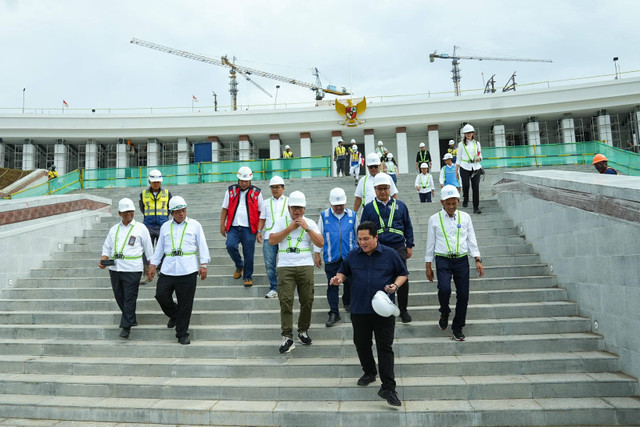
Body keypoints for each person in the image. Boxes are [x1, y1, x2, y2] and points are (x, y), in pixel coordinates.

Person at [330, 221, 408, 407]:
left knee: (385, 348)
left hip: (383, 311)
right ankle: (370, 372)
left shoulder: (390, 254)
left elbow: (403, 274)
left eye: (366, 239)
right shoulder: (353, 255)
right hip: (360, 309)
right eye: (359, 239)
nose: (362, 243)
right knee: (361, 344)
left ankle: (389, 388)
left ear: (376, 237)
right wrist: (338, 279)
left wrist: (395, 286)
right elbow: (343, 272)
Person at [148, 196, 210, 345]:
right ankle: (175, 315)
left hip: (188, 269)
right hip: (168, 268)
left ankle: (182, 333)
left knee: (186, 303)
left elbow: (202, 244)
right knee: (161, 295)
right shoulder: (165, 227)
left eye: (183, 210)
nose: (182, 214)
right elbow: (160, 248)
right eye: (178, 211)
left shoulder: (195, 225)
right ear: (171, 213)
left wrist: (204, 265)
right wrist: (152, 264)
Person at [425, 185, 484, 341]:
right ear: (442, 202)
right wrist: (428, 265)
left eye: (454, 203)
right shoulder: (434, 219)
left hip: (461, 260)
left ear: (458, 201)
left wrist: (477, 259)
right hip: (442, 259)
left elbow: (471, 239)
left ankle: (458, 327)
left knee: (463, 295)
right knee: (444, 289)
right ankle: (444, 312)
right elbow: (430, 243)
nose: (451, 207)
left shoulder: (465, 217)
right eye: (447, 203)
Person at [269, 191, 324, 353]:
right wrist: (289, 228)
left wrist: (307, 229)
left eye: (300, 208)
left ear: (305, 209)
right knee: (285, 301)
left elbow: (320, 242)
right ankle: (287, 336)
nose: (297, 211)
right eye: (294, 208)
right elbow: (272, 240)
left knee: (307, 300)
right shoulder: (281, 222)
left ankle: (302, 330)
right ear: (289, 208)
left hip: (305, 265)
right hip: (285, 266)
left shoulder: (310, 223)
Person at [361, 173, 414, 323]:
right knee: (380, 279)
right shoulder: (369, 208)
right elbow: (363, 229)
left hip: (398, 247)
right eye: (379, 189)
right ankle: (383, 307)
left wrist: (409, 245)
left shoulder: (401, 206)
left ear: (390, 188)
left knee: (402, 279)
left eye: (385, 188)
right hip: (378, 248)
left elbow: (408, 226)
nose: (383, 191)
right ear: (375, 189)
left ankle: (403, 309)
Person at [99, 198, 154, 340]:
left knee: (130, 296)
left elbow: (149, 249)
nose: (128, 214)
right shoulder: (114, 229)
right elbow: (107, 247)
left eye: (131, 211)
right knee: (119, 296)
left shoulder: (141, 228)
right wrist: (104, 259)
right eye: (125, 212)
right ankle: (131, 318)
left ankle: (125, 326)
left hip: (133, 268)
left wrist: (151, 266)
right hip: (115, 268)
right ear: (119, 213)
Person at [314, 187, 358, 327]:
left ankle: (348, 302)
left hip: (349, 257)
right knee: (332, 285)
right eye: (336, 205)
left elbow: (359, 235)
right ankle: (334, 312)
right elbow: (318, 235)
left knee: (350, 282)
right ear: (331, 203)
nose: (339, 207)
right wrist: (317, 253)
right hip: (331, 257)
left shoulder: (352, 215)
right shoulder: (324, 216)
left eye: (341, 204)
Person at [220, 166, 265, 287]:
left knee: (249, 254)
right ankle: (239, 265)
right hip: (233, 227)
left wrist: (259, 230)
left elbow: (262, 213)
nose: (243, 183)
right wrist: (222, 224)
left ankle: (247, 276)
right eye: (241, 181)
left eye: (246, 181)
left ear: (250, 180)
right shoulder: (230, 191)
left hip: (249, 228)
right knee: (230, 246)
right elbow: (225, 208)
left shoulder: (257, 193)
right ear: (238, 179)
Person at [139, 169, 172, 283]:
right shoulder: (143, 194)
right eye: (154, 182)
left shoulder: (167, 193)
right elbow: (142, 208)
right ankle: (146, 272)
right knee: (145, 249)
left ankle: (160, 269)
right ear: (149, 181)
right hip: (148, 225)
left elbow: (170, 208)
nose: (156, 184)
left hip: (163, 225)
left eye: (158, 182)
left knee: (163, 248)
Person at [260, 176, 288, 299]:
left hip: (284, 236)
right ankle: (274, 287)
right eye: (272, 187)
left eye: (277, 187)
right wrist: (259, 231)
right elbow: (262, 218)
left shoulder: (289, 201)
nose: (275, 189)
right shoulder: (265, 202)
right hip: (269, 236)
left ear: (283, 188)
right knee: (270, 263)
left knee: (285, 262)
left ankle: (286, 286)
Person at [456, 123, 483, 214]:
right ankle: (466, 198)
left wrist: (480, 158)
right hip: (464, 167)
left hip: (476, 167)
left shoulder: (477, 143)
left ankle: (476, 207)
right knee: (466, 185)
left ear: (472, 133)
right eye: (466, 133)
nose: (468, 134)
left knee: (475, 187)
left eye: (470, 133)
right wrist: (456, 170)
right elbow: (458, 157)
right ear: (464, 134)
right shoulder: (461, 144)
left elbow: (480, 154)